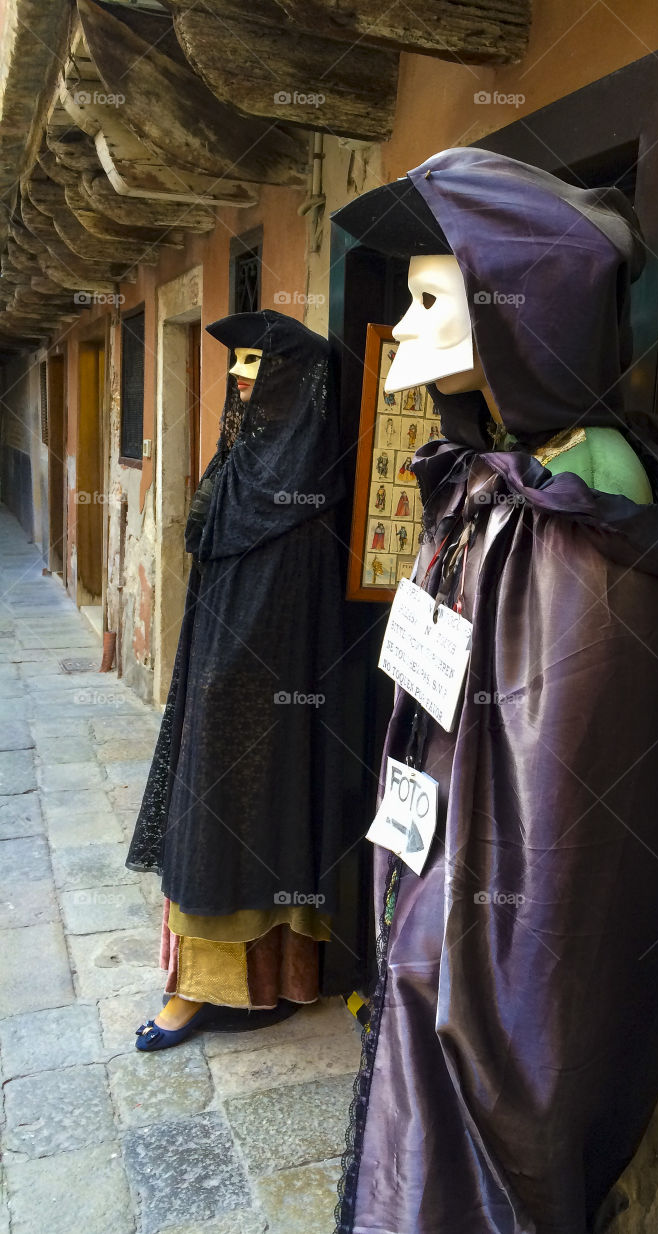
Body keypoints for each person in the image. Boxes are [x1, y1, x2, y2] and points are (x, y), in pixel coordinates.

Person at [330, 149, 658, 1233]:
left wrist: (461, 931)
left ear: (523, 313)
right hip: (446, 850)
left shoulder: (585, 495)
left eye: (430, 301)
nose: (399, 329)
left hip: (495, 895)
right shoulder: (508, 468)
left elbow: (565, 786)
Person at [127, 309, 347, 1050]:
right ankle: (207, 984)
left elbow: (300, 608)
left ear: (294, 378)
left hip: (271, 696)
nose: (239, 374)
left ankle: (240, 986)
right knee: (212, 827)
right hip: (218, 681)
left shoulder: (311, 482)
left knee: (253, 824)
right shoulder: (238, 464)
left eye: (257, 362)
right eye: (238, 362)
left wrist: (232, 687)